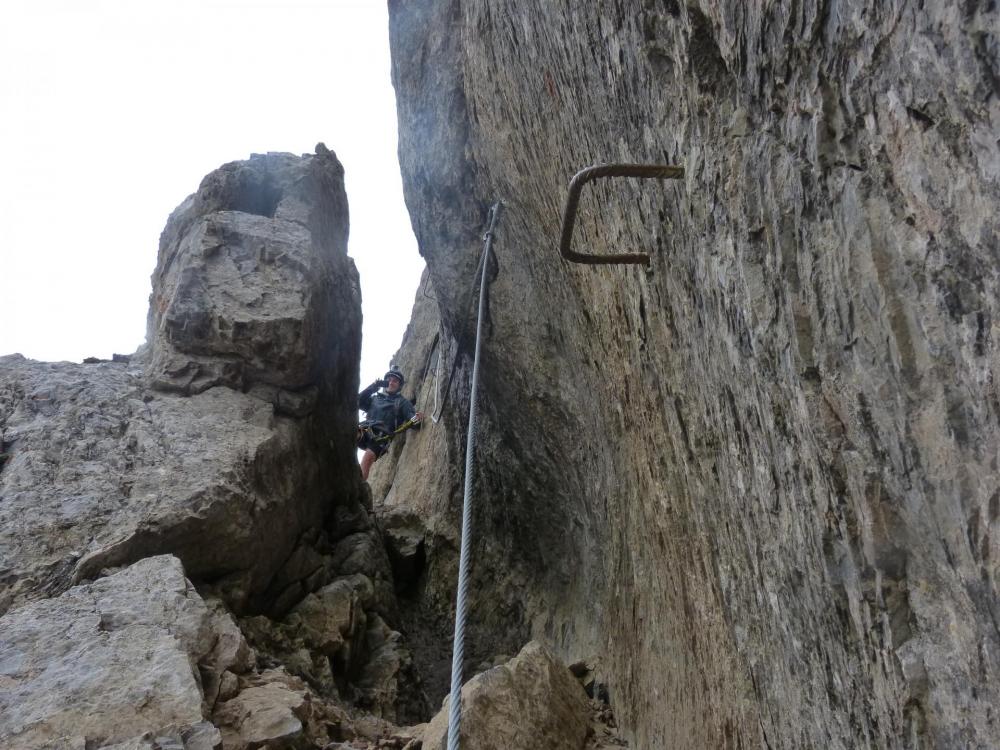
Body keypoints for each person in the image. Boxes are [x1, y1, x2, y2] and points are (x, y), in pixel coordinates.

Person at [357, 367, 423, 480]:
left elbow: (413, 421)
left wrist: (417, 419)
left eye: (395, 381)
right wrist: (373, 387)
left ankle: (358, 486)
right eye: (389, 380)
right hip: (365, 430)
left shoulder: (402, 402)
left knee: (367, 459)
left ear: (399, 385)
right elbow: (357, 401)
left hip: (381, 437)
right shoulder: (376, 398)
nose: (391, 382)